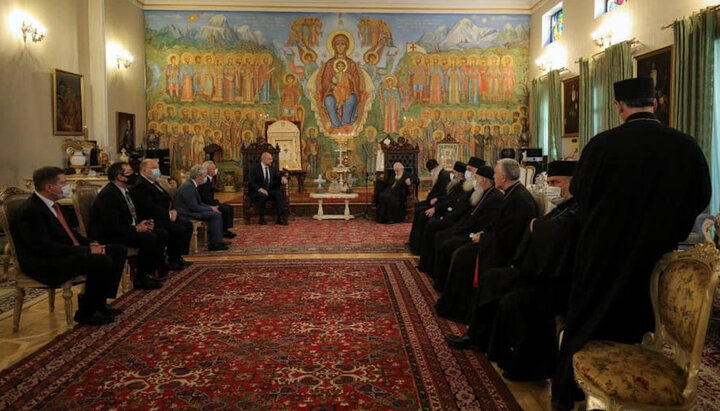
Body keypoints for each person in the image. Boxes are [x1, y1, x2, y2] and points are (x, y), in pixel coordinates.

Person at [551, 78, 711, 410]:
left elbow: (580, 193)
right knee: (638, 323)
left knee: (586, 323)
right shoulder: (686, 145)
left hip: (602, 254)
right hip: (657, 255)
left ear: (619, 106)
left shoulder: (603, 144)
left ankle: (572, 393)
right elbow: (700, 197)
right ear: (657, 103)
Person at [484, 160, 579, 382]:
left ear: (572, 183)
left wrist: (537, 226)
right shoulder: (566, 205)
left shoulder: (578, 206)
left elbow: (561, 233)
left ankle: (528, 367)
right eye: (549, 182)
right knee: (505, 290)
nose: (552, 186)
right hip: (541, 270)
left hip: (558, 279)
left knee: (516, 299)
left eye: (555, 182)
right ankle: (495, 348)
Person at [11, 167, 126, 325]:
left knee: (117, 250)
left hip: (66, 253)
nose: (67, 187)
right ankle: (86, 312)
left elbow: (71, 234)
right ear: (49, 187)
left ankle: (100, 304)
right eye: (63, 183)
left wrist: (91, 243)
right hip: (45, 262)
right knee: (100, 260)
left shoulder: (55, 205)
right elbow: (45, 247)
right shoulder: (30, 211)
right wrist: (87, 250)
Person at [438, 159, 537, 324]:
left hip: (504, 252)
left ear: (503, 177)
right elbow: (500, 226)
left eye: (496, 174)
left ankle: (460, 311)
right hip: (495, 242)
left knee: (462, 257)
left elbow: (510, 236)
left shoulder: (519, 199)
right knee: (461, 254)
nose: (494, 177)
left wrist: (483, 237)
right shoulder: (512, 193)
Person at [89, 162, 165, 290]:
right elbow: (111, 227)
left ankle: (151, 272)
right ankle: (141, 278)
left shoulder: (125, 191)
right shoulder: (110, 195)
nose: (134, 175)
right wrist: (136, 228)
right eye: (130, 173)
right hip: (111, 236)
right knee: (149, 238)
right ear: (120, 177)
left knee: (160, 233)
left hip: (124, 229)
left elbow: (130, 215)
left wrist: (142, 223)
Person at [431, 164, 503, 292]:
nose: (475, 180)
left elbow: (485, 222)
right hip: (467, 228)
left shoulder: (494, 196)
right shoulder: (483, 192)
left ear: (484, 180)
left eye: (477, 177)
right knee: (442, 238)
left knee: (447, 245)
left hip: (475, 234)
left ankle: (445, 285)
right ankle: (441, 280)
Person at [416, 157, 484, 275]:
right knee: (431, 224)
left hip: (459, 222)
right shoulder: (467, 185)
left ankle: (431, 268)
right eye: (466, 169)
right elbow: (454, 201)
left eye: (470, 170)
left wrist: (444, 214)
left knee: (434, 228)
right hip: (453, 216)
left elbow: (464, 209)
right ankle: (426, 263)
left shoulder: (477, 188)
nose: (467, 172)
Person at [130, 159, 193, 271]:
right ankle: (172, 260)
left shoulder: (154, 182)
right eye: (154, 168)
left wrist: (173, 210)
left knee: (187, 225)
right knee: (177, 229)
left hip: (165, 214)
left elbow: (167, 198)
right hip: (153, 218)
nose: (157, 171)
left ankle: (178, 256)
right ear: (144, 170)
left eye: (157, 168)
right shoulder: (140, 185)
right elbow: (148, 207)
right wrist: (167, 214)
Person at [174, 165, 228, 251]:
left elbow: (199, 203)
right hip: (186, 213)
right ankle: (215, 244)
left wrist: (211, 207)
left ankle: (217, 240)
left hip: (190, 210)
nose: (205, 178)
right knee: (215, 215)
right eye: (204, 176)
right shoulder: (188, 187)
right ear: (198, 176)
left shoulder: (191, 184)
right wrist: (211, 209)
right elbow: (194, 207)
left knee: (215, 212)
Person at [407, 159, 450, 254]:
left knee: (421, 213)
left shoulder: (444, 176)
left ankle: (417, 245)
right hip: (434, 202)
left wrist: (437, 200)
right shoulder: (441, 174)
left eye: (430, 171)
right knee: (418, 206)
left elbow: (446, 195)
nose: (430, 173)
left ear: (434, 169)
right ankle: (413, 240)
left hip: (438, 205)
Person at [248, 152, 289, 225]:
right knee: (262, 195)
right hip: (258, 191)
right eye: (270, 159)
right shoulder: (254, 169)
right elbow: (251, 182)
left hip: (270, 190)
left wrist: (282, 178)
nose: (271, 161)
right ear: (264, 159)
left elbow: (277, 177)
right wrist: (260, 189)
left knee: (279, 194)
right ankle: (261, 218)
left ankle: (280, 218)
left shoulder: (272, 168)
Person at [199, 160, 236, 238]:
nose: (215, 170)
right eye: (213, 168)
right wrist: (216, 203)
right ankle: (222, 231)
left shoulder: (211, 179)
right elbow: (206, 198)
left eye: (215, 168)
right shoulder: (205, 181)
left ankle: (225, 229)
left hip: (210, 201)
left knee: (229, 207)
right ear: (207, 170)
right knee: (225, 209)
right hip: (206, 204)